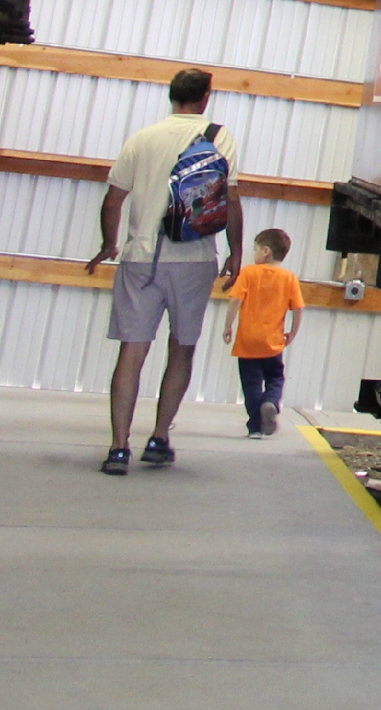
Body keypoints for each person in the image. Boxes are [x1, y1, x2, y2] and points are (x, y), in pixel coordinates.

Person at [86, 67, 242, 475]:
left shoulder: (142, 138)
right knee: (181, 348)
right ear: (205, 97)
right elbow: (230, 199)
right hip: (193, 259)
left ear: (171, 96)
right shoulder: (218, 137)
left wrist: (109, 243)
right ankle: (158, 438)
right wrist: (236, 252)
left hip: (141, 257)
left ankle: (118, 448)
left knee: (131, 353)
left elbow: (112, 201)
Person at [226, 229, 302, 438]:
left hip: (247, 341)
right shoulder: (289, 278)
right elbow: (298, 308)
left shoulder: (249, 273)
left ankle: (255, 427)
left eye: (256, 249)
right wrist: (293, 332)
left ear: (266, 251)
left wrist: (228, 326)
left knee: (251, 383)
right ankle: (270, 402)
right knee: (275, 377)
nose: (254, 253)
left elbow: (235, 300)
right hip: (273, 342)